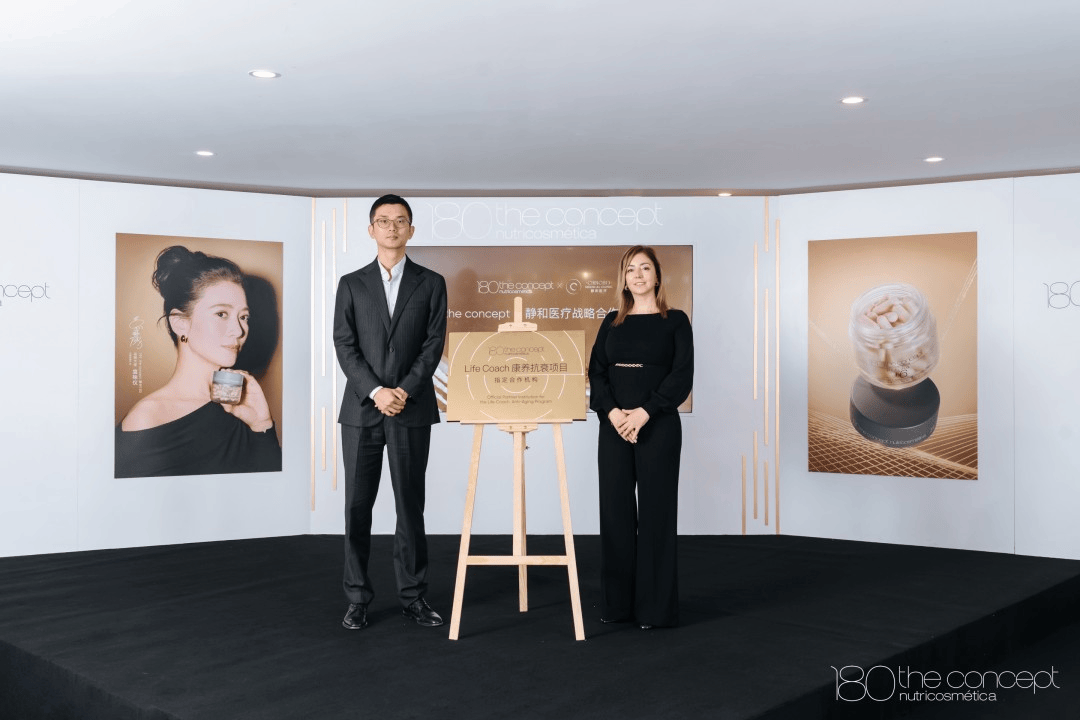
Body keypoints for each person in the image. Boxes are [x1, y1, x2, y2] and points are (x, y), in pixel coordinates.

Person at [333, 194, 448, 631]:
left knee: (410, 506)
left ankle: (413, 596)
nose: (392, 228)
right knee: (356, 508)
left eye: (400, 221)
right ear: (371, 230)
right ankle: (357, 598)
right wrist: (377, 391)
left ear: (411, 230)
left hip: (411, 408)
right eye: (384, 221)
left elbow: (433, 345)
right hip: (362, 410)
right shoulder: (351, 283)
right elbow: (344, 344)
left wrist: (402, 390)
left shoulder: (431, 282)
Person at [588, 245, 694, 629]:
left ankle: (655, 610)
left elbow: (681, 375)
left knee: (656, 514)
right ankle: (617, 605)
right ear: (624, 278)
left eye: (645, 268)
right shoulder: (611, 321)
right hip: (614, 426)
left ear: (657, 276)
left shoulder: (676, 321)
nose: (638, 275)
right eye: (631, 269)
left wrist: (645, 412)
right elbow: (596, 372)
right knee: (615, 512)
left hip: (658, 425)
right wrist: (615, 414)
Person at [115, 246, 281, 478]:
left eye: (243, 317)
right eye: (221, 314)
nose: (239, 330)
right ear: (180, 323)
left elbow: (272, 489)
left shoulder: (242, 406)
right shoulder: (147, 418)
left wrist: (262, 424)